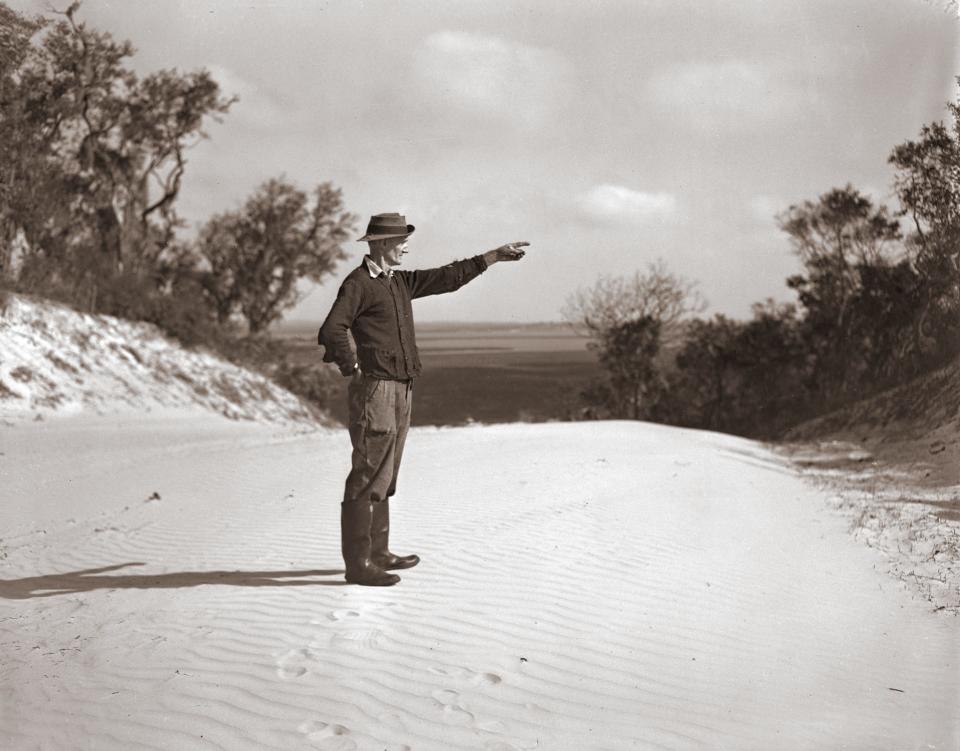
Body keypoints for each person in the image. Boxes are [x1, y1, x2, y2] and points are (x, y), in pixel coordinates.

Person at [318, 212, 528, 586]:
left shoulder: (399, 281)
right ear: (380, 244)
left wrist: (492, 257)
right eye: (400, 241)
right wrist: (352, 367)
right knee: (368, 471)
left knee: (387, 470)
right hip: (376, 389)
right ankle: (357, 565)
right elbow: (333, 328)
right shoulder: (359, 284)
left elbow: (447, 278)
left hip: (402, 387)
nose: (406, 246)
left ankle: (378, 553)